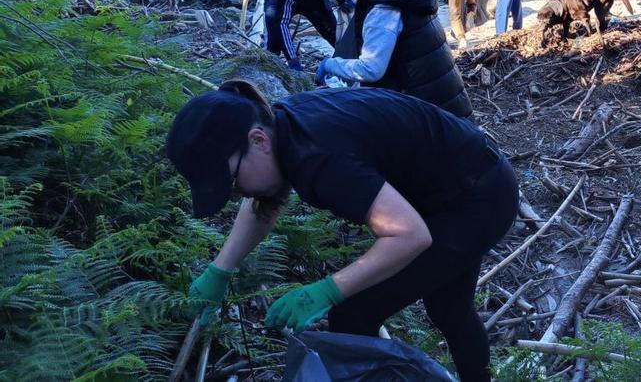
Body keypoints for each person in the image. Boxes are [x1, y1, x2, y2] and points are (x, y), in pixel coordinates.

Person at [167, 81, 517, 382]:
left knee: (355, 312)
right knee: (448, 309)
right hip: (458, 184)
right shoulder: (283, 126)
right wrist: (220, 270)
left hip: (476, 198)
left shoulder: (320, 158)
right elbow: (263, 202)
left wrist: (325, 291)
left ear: (258, 140)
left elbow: (409, 235)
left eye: (231, 182)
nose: (236, 194)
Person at [318, 0, 472, 118]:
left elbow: (371, 68)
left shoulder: (383, 9)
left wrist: (331, 65)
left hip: (425, 108)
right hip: (446, 98)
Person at [262, 0, 340, 71]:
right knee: (274, 44)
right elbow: (281, 23)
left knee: (333, 32)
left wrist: (344, 1)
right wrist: (293, 61)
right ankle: (268, 73)